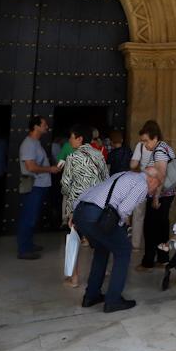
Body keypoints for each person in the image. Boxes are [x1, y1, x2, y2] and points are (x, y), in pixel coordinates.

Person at [74, 166, 161, 313]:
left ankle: (91, 296)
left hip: (81, 212)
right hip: (99, 217)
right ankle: (113, 300)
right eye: (156, 186)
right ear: (152, 179)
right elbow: (123, 209)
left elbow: (93, 190)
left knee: (102, 249)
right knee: (123, 250)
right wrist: (121, 227)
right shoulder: (142, 184)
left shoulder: (123, 174)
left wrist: (74, 214)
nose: (153, 191)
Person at [60, 124, 109, 287]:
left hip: (78, 207)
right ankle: (102, 270)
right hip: (97, 206)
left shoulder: (72, 158)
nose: (69, 140)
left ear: (79, 138)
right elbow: (106, 179)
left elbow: (65, 185)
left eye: (71, 137)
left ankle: (74, 278)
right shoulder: (99, 155)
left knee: (74, 240)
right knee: (98, 239)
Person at [131, 120, 176, 271]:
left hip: (161, 194)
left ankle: (148, 261)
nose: (144, 145)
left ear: (155, 137)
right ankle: (163, 258)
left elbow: (161, 175)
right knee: (161, 226)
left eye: (146, 141)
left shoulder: (159, 151)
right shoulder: (164, 147)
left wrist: (156, 197)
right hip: (166, 193)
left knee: (150, 227)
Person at [18, 115, 61, 260]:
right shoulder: (29, 144)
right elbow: (30, 167)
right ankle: (24, 249)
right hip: (34, 186)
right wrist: (50, 169)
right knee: (28, 218)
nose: (46, 127)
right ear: (35, 126)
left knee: (32, 216)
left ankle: (28, 245)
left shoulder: (36, 143)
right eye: (44, 124)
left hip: (40, 185)